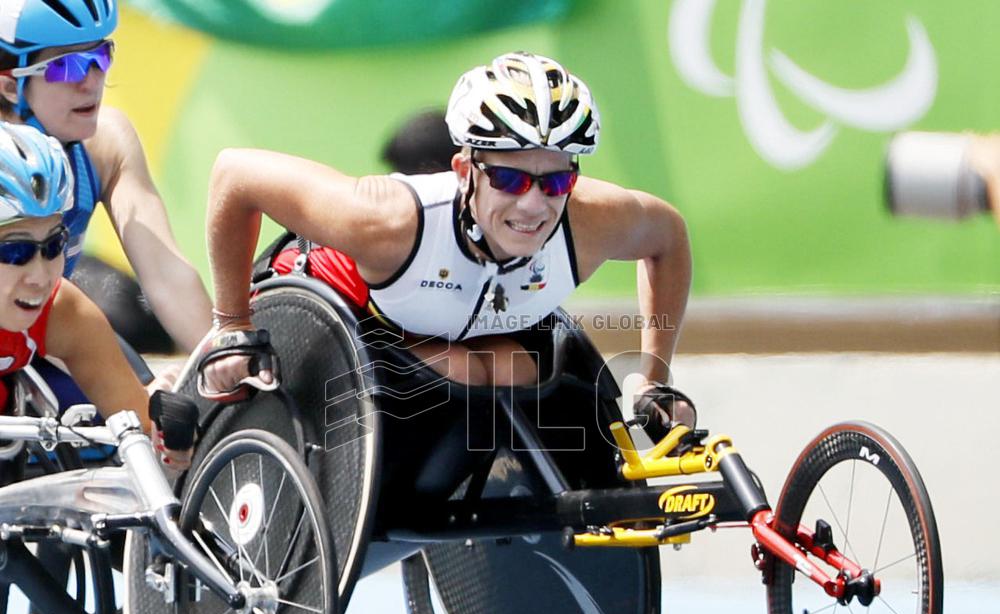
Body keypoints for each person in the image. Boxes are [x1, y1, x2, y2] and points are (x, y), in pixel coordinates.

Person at [200, 51, 694, 434]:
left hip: (466, 336)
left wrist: (654, 379)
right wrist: (232, 326)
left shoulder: (592, 221)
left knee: (520, 373)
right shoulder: (386, 218)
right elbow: (234, 174)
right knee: (464, 371)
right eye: (509, 179)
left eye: (556, 182)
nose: (533, 205)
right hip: (349, 309)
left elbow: (668, 237)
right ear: (463, 170)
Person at [0, 0, 211, 355]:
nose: (92, 82)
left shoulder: (105, 145)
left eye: (100, 56)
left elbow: (166, 274)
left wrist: (222, 355)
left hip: (44, 337)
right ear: (9, 86)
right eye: (67, 67)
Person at [0, 120, 188, 465]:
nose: (40, 276)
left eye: (54, 245)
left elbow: (142, 424)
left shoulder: (60, 310)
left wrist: (168, 419)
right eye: (15, 252)